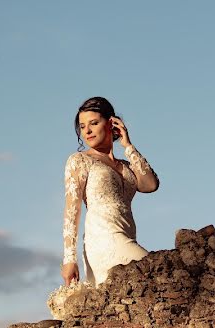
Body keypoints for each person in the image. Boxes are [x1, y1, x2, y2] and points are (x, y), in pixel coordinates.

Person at [60, 96, 159, 286]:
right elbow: (72, 210)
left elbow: (150, 185)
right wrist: (69, 259)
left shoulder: (127, 166)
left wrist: (128, 145)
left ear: (111, 123)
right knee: (157, 273)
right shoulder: (79, 160)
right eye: (82, 126)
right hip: (103, 241)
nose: (87, 131)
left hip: (128, 237)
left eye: (94, 123)